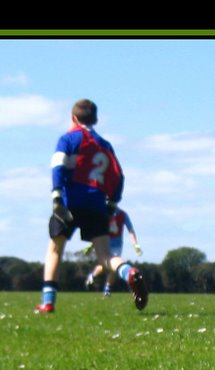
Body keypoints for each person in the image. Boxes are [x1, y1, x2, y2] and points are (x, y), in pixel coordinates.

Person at [37, 99, 146, 313]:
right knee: (105, 256)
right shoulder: (105, 145)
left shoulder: (68, 139)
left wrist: (56, 197)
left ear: (73, 118)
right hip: (96, 203)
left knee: (55, 250)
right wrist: (112, 204)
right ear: (95, 119)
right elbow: (118, 176)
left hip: (70, 201)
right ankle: (128, 272)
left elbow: (57, 167)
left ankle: (48, 302)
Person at [85, 206, 142, 297]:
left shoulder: (123, 215)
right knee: (104, 266)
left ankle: (107, 288)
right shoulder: (103, 213)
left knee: (114, 267)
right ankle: (92, 276)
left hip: (117, 247)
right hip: (104, 244)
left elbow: (130, 230)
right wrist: (92, 245)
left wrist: (135, 244)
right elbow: (99, 231)